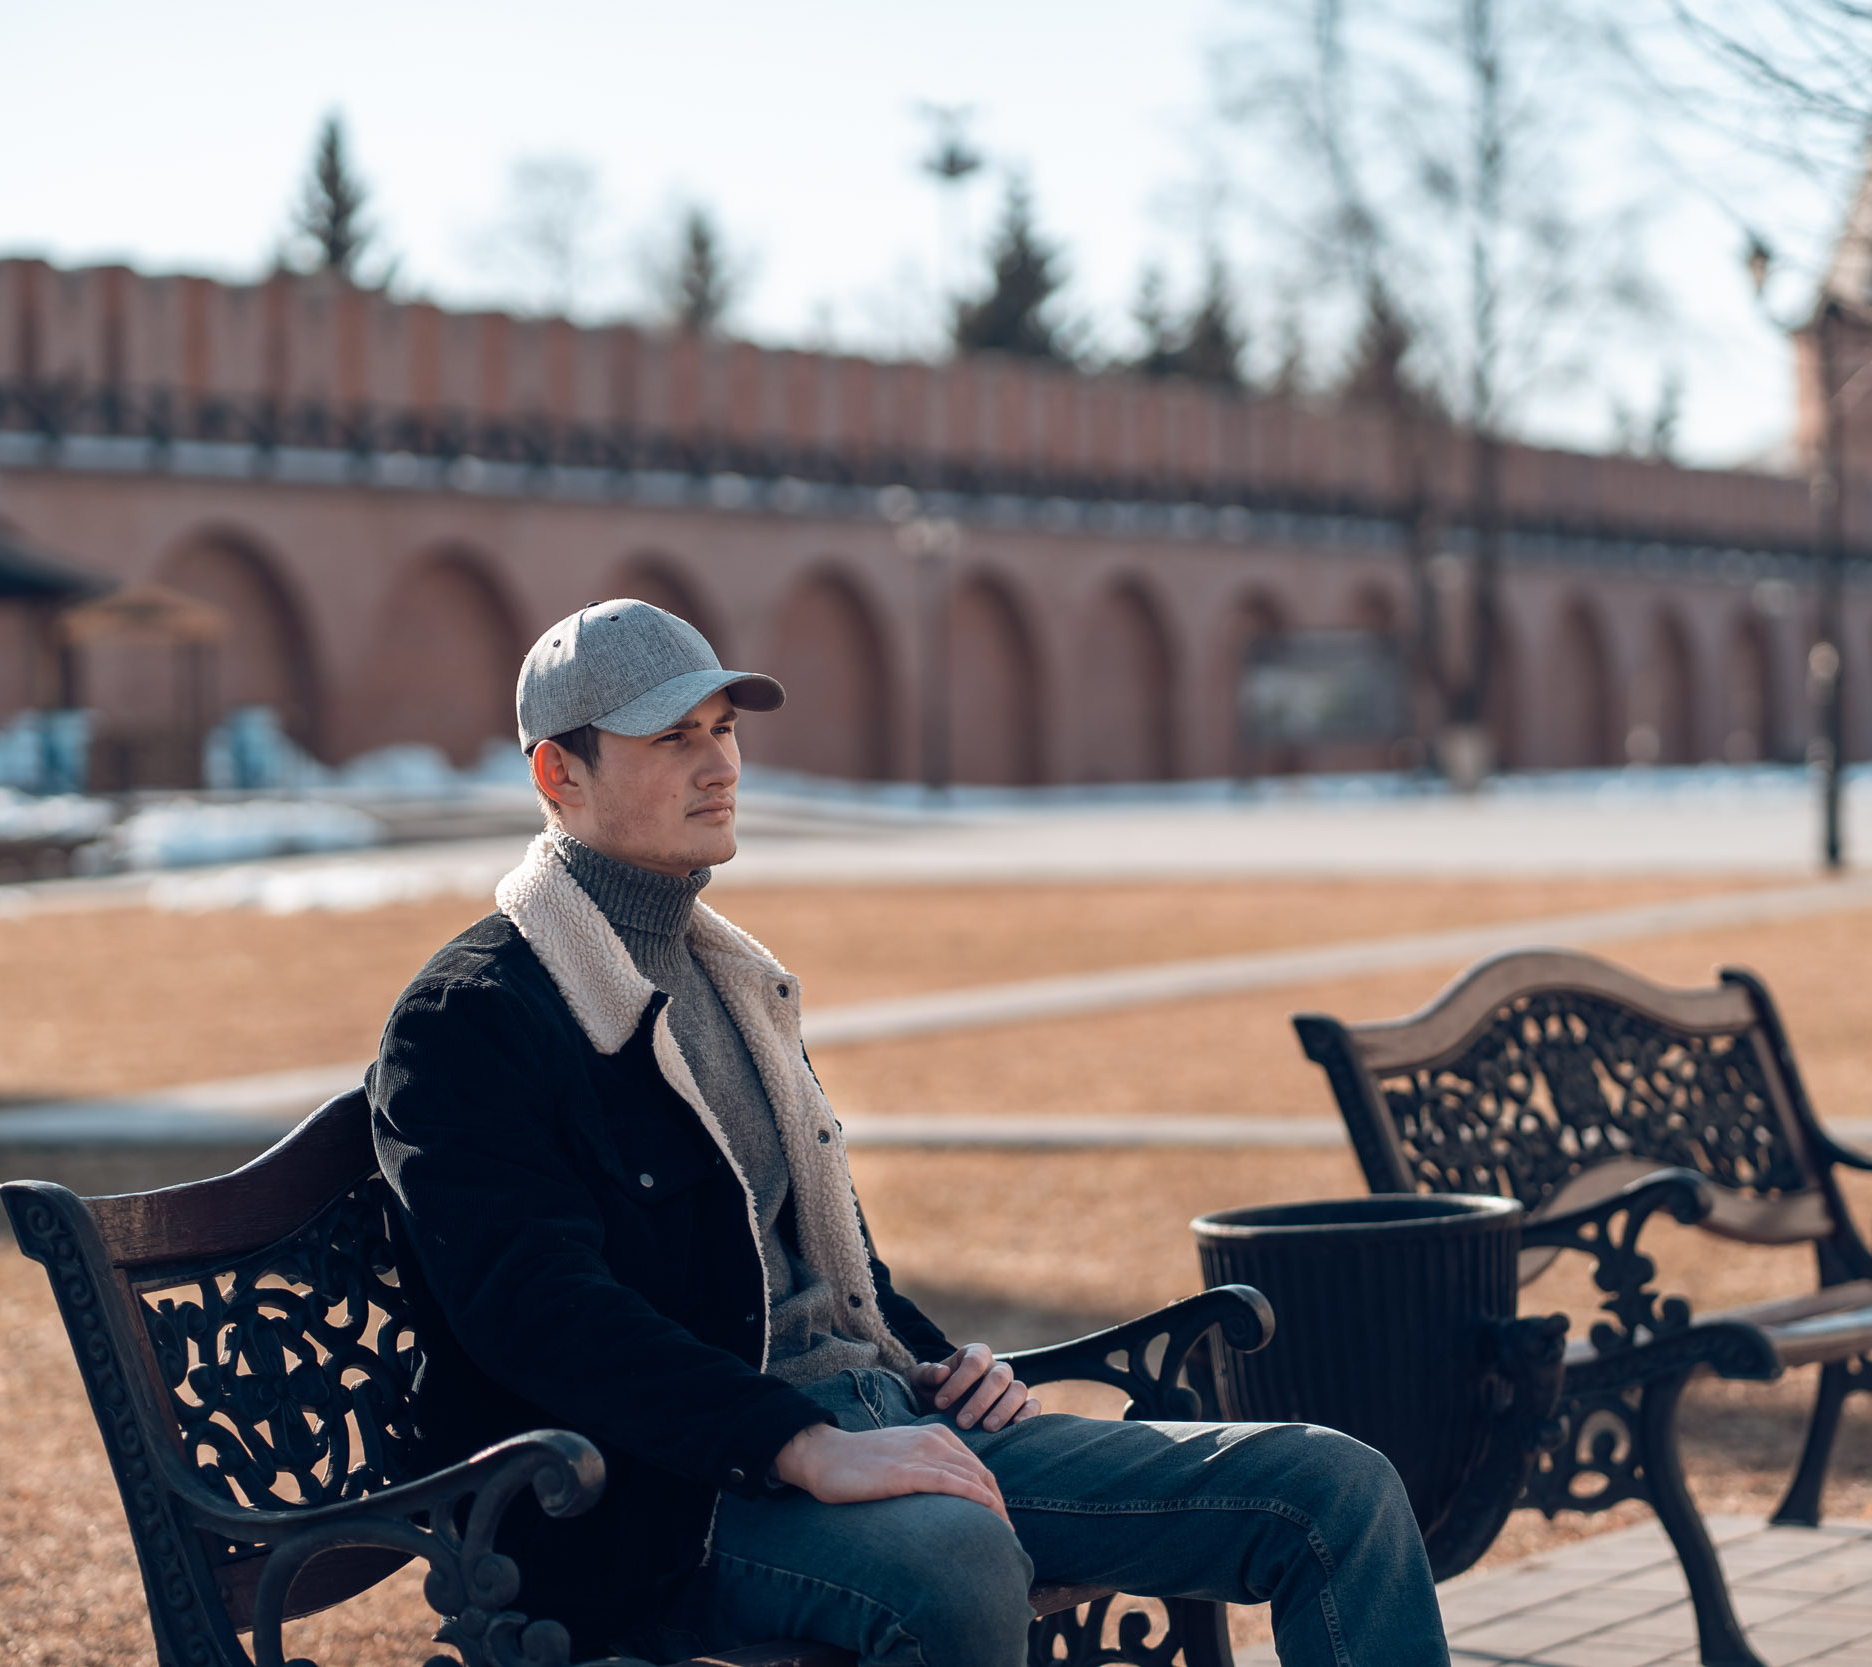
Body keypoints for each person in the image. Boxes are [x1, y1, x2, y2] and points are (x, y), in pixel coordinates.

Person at [370, 599, 1450, 1667]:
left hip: (877, 1416)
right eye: (670, 738)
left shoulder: (729, 973)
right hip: (675, 1502)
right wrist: (801, 1445)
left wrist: (939, 1361)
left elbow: (812, 1262)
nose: (719, 765)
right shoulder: (473, 1016)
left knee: (1332, 1485)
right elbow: (543, 1311)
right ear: (560, 774)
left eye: (724, 729)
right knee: (956, 1559)